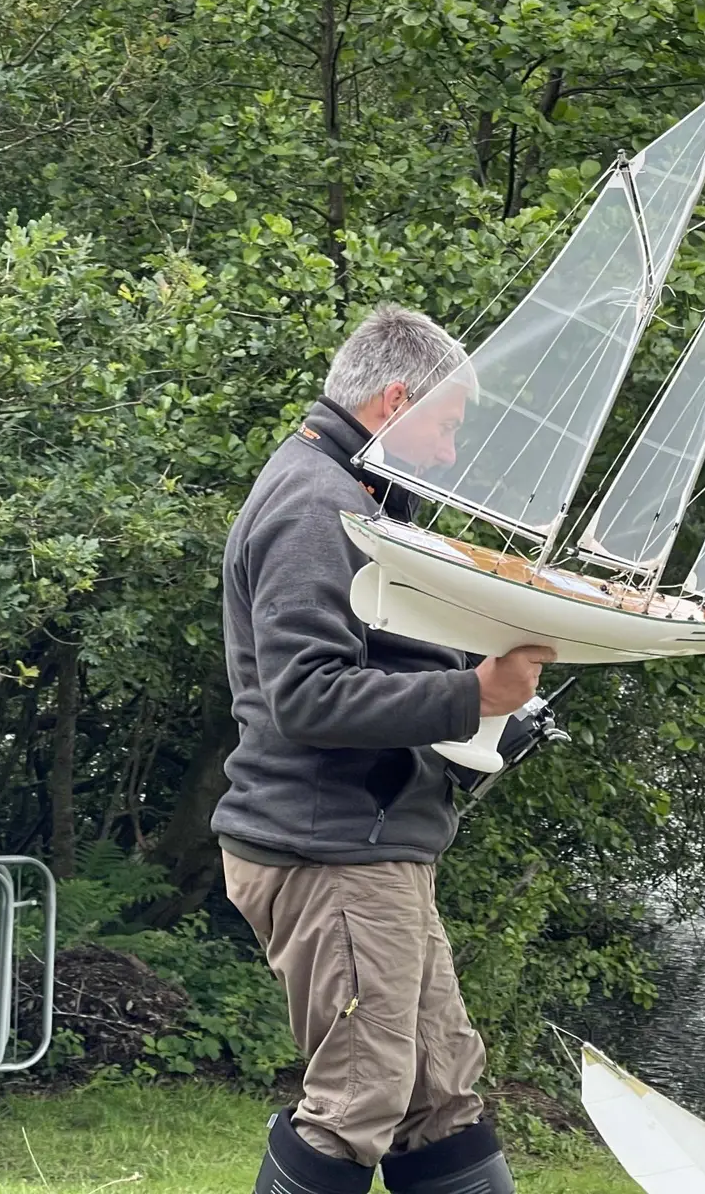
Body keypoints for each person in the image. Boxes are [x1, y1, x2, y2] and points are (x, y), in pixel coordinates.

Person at [213, 305, 552, 1194]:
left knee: (441, 1092)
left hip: (372, 847)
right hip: (328, 851)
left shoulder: (363, 498)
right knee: (359, 1099)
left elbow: (384, 656)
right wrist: (473, 695)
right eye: (446, 426)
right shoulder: (314, 504)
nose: (448, 451)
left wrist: (481, 695)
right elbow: (306, 696)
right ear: (395, 402)